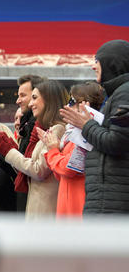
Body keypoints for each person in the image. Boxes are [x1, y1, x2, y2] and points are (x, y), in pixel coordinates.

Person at [60, 39, 129, 214]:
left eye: (97, 61)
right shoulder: (118, 93)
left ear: (111, 63)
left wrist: (85, 125)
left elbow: (117, 141)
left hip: (112, 201)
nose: (93, 66)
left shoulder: (125, 93)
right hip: (109, 198)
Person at [0, 80, 68, 219]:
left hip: (45, 214)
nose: (31, 104)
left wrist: (9, 152)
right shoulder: (49, 130)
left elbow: (38, 170)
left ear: (49, 99)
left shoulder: (58, 129)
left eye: (35, 98)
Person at [41, 82, 104, 217]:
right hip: (67, 207)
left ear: (84, 104)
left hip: (78, 208)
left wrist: (53, 150)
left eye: (71, 101)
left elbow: (68, 169)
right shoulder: (73, 132)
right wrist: (55, 148)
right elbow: (59, 174)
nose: (67, 106)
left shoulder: (88, 133)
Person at [11, 74, 46, 211]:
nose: (18, 100)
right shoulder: (27, 126)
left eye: (23, 95)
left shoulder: (43, 127)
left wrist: (6, 152)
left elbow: (33, 168)